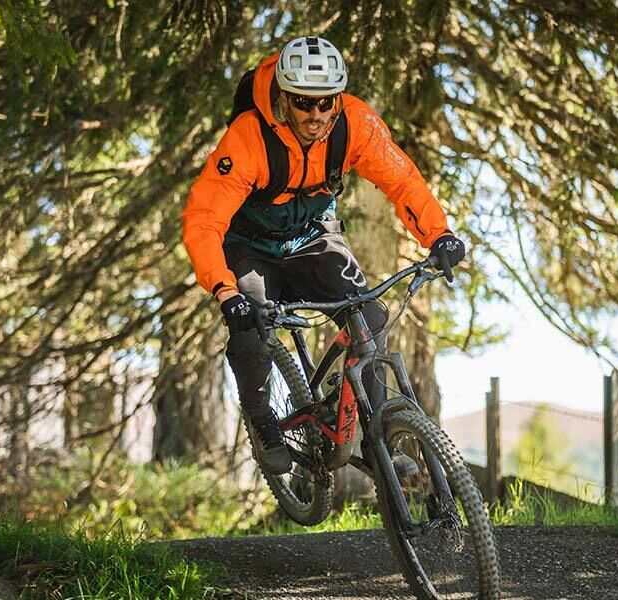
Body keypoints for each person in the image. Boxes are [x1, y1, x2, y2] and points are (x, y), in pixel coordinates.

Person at [181, 36, 465, 475]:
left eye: (325, 102)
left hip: (313, 236)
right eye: (302, 102)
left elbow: (402, 180)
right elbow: (203, 220)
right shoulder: (248, 139)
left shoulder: (354, 123)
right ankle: (262, 422)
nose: (315, 115)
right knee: (252, 322)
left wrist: (439, 235)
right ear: (282, 96)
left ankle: (375, 443)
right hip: (250, 244)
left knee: (369, 316)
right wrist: (224, 290)